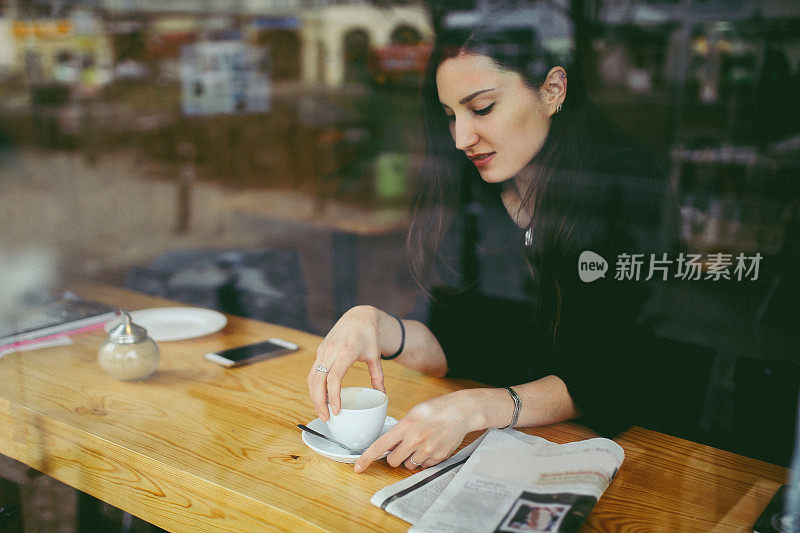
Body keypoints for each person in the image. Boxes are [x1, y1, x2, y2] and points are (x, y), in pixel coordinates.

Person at [307, 3, 672, 473]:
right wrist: (376, 326)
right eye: (450, 115)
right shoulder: (475, 189)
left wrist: (475, 407)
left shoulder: (626, 181)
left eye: (481, 108)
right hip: (496, 453)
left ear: (553, 91)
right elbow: (458, 342)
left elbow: (612, 374)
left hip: (621, 458)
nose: (462, 138)